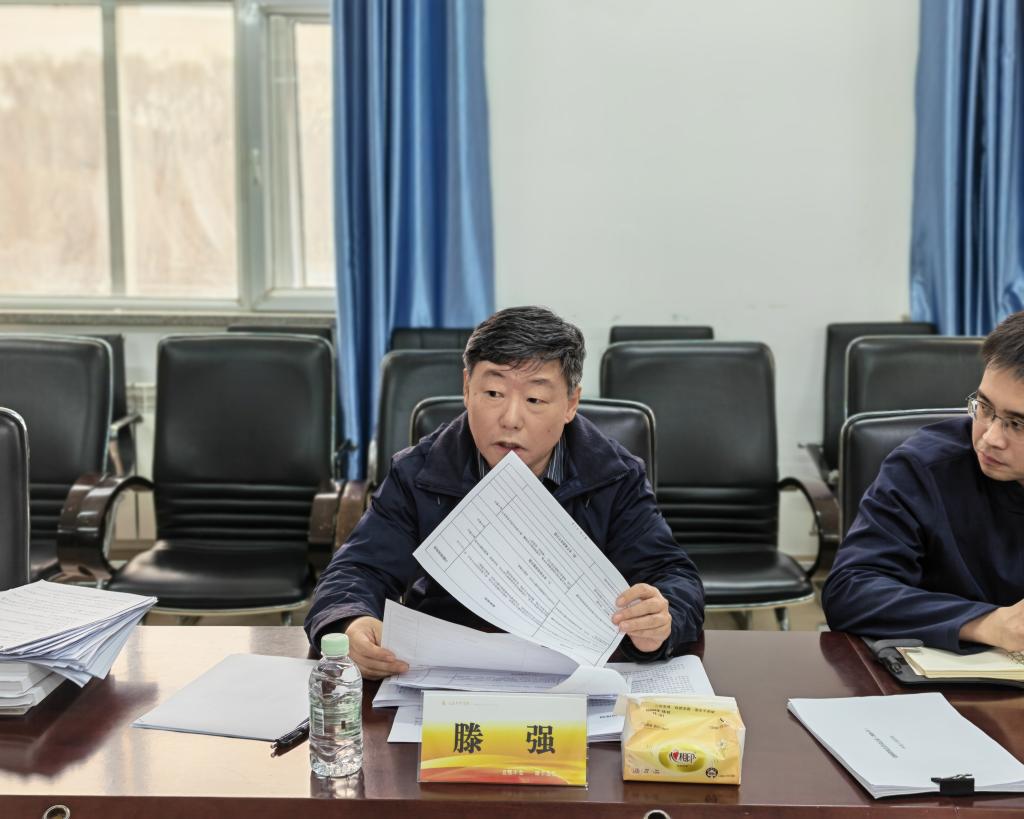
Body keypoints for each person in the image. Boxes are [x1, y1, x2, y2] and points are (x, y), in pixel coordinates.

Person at [305, 306, 705, 678]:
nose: (511, 419)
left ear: (571, 403)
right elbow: (356, 570)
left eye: (535, 399)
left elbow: (673, 576)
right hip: (449, 669)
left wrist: (661, 620)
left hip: (574, 672)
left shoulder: (614, 475)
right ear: (467, 388)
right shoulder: (420, 472)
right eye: (494, 394)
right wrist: (351, 621)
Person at [822, 310, 1024, 653]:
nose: (990, 438)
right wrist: (988, 624)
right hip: (949, 675)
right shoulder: (923, 468)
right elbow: (850, 590)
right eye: (984, 407)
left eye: (1017, 424)